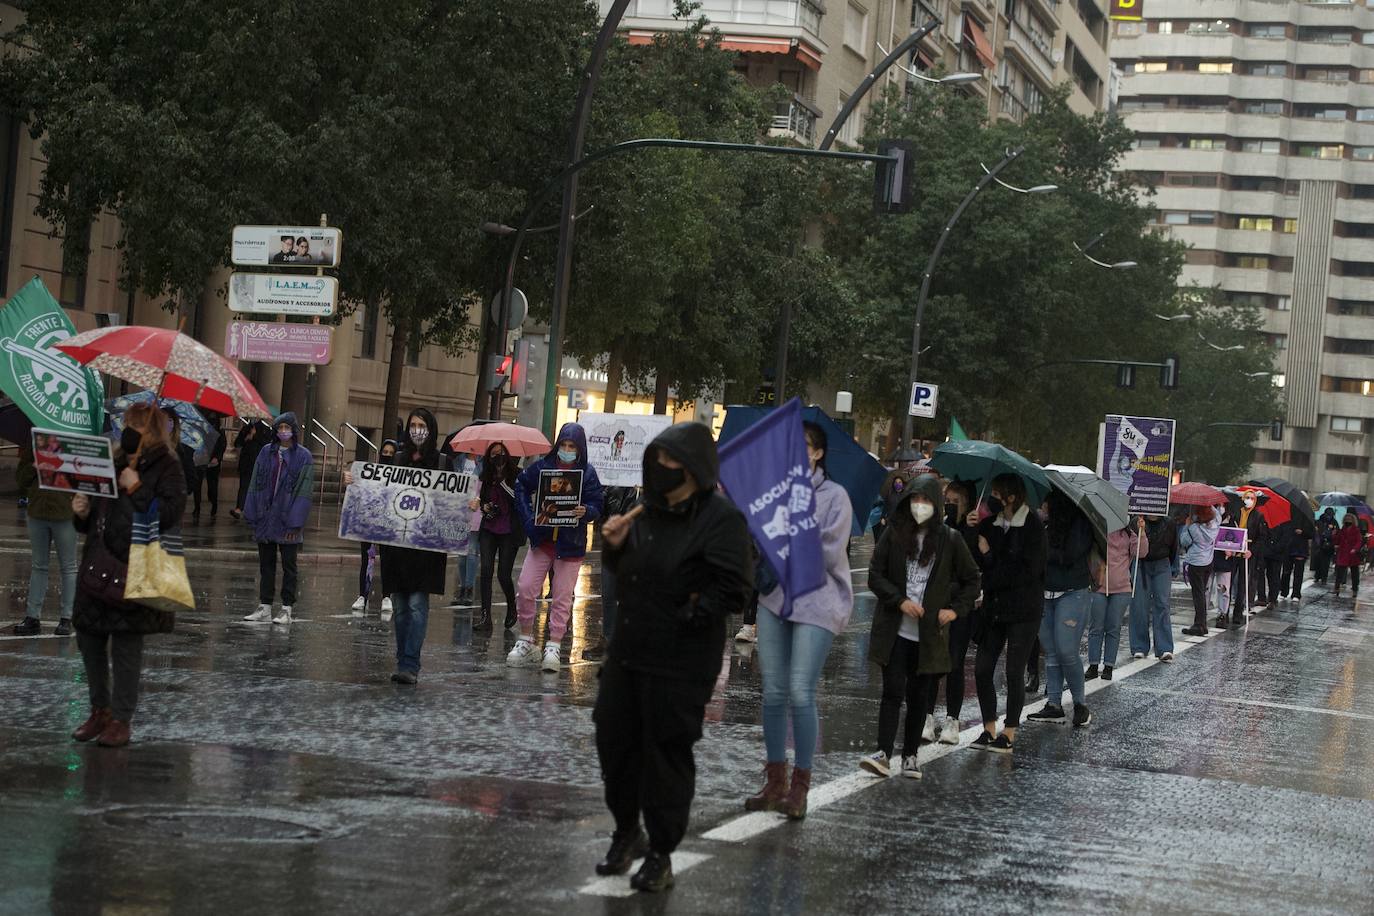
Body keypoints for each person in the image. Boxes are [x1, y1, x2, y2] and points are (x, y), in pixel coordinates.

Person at [592, 423, 750, 893]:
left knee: (665, 754)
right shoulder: (647, 512)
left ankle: (661, 852)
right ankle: (626, 832)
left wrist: (690, 612)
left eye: (669, 461)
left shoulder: (720, 520)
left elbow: (735, 588)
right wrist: (614, 546)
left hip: (680, 659)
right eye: (655, 459)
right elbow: (629, 572)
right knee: (614, 742)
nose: (659, 469)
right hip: (629, 652)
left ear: (692, 467)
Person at [744, 421, 853, 818]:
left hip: (818, 601)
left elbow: (826, 552)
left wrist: (787, 535)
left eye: (803, 446)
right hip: (775, 599)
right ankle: (775, 782)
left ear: (818, 453)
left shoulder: (835, 497)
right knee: (772, 692)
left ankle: (800, 786)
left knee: (799, 690)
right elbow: (758, 540)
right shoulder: (774, 493)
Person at [69, 402, 185, 747]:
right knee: (88, 638)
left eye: (136, 424)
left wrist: (137, 487)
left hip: (135, 567)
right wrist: (81, 512)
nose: (128, 429)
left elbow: (168, 515)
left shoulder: (168, 467)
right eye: (126, 423)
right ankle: (99, 709)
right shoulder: (112, 460)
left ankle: (121, 718)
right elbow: (95, 517)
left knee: (125, 647)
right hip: (98, 562)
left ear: (152, 430)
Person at [860, 474, 979, 779]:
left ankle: (911, 755)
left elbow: (971, 580)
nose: (920, 506)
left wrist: (953, 611)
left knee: (918, 695)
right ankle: (883, 752)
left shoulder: (949, 540)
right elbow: (876, 575)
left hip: (929, 635)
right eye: (915, 499)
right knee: (892, 690)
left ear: (936, 505)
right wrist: (899, 601)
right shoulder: (895, 533)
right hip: (896, 629)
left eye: (926, 501)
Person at [348, 410, 447, 684]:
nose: (417, 430)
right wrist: (354, 483)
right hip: (398, 546)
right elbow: (377, 490)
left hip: (425, 548)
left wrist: (469, 505)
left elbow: (454, 501)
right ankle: (403, 658)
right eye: (413, 425)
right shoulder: (398, 460)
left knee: (417, 604)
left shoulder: (442, 462)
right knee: (401, 607)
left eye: (422, 426)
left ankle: (410, 664)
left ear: (431, 429)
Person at [507, 423, 604, 672]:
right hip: (542, 539)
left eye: (572, 446)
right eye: (564, 445)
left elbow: (597, 503)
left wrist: (587, 511)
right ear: (558, 444)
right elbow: (520, 486)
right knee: (526, 587)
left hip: (571, 544)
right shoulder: (542, 467)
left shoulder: (588, 473)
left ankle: (554, 642)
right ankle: (526, 638)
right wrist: (529, 519)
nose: (567, 450)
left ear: (579, 448)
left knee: (562, 596)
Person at [970, 474, 1046, 752]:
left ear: (1011, 497)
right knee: (982, 669)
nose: (993, 499)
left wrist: (991, 557)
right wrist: (969, 530)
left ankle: (1009, 731)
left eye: (998, 494)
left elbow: (1025, 571)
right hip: (994, 609)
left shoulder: (1033, 526)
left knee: (1014, 671)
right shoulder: (989, 524)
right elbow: (975, 558)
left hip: (1024, 610)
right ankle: (988, 727)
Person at [1026, 489, 1096, 728]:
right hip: (1045, 593)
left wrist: (1042, 551)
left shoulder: (1081, 524)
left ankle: (1080, 705)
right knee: (1052, 651)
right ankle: (1053, 704)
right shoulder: (1043, 527)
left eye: (1046, 503)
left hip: (1072, 593)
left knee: (1067, 650)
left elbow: (1069, 555)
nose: (1042, 507)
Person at [922, 478, 981, 744]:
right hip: (938, 602)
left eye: (954, 499)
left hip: (961, 606)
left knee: (955, 663)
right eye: (946, 499)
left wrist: (971, 530)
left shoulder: (974, 528)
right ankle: (927, 717)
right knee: (933, 662)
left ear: (966, 500)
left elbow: (973, 567)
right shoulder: (942, 528)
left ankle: (952, 720)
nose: (949, 503)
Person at [242, 413, 314, 625]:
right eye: (279, 427)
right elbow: (255, 482)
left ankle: (287, 608)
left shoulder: (303, 456)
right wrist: (252, 512)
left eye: (286, 427)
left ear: (293, 430)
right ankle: (265, 605)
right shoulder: (266, 452)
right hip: (266, 518)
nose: (283, 431)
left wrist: (295, 521)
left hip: (288, 519)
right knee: (266, 564)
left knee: (289, 566)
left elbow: (304, 491)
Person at [11, 447, 78, 636]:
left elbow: (84, 478)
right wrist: (34, 466)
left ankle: (67, 617)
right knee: (39, 565)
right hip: (37, 512)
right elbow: (21, 480)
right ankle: (33, 617)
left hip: (65, 512)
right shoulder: (33, 444)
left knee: (68, 566)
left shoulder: (72, 444)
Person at [468, 441, 523, 634]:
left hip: (509, 531)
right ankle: (485, 616)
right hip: (489, 528)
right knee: (486, 571)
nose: (497, 458)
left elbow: (519, 499)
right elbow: (484, 500)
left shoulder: (517, 474)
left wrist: (504, 483)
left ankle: (511, 605)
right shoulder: (487, 476)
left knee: (503, 574)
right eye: (493, 455)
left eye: (500, 453)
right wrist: (484, 506)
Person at [1086, 516, 1148, 682]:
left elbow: (1141, 553)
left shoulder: (1130, 534)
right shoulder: (1098, 530)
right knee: (1096, 627)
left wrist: (1142, 533)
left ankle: (1108, 666)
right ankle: (1093, 665)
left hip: (1121, 588)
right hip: (1099, 586)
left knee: (1113, 628)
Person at [585, 484, 638, 661]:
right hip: (614, 540)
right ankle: (608, 638)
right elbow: (601, 505)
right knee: (608, 593)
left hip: (639, 544)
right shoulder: (610, 481)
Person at [351, 439, 397, 618]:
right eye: (384, 453)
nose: (387, 456)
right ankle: (363, 595)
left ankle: (387, 596)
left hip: (390, 523)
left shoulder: (400, 477)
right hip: (370, 522)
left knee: (388, 560)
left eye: (390, 454)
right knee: (367, 559)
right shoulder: (370, 474)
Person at [1130, 513, 1177, 661]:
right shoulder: (1135, 522)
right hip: (1141, 564)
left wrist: (1173, 567)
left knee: (1162, 604)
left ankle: (1164, 647)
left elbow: (1175, 545)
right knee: (1139, 604)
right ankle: (1139, 646)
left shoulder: (1169, 523)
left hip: (1162, 563)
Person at [1179, 507, 1219, 637]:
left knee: (1198, 595)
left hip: (1196, 563)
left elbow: (1184, 541)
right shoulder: (1215, 525)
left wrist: (1186, 525)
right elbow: (1217, 515)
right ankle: (1203, 624)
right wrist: (1209, 505)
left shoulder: (1194, 528)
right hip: (1208, 561)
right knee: (1202, 593)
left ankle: (1199, 625)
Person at [449, 449, 481, 606]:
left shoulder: (483, 463)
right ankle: (462, 587)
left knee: (472, 551)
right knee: (461, 554)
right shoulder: (458, 461)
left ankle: (469, 588)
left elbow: (486, 486)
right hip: (460, 510)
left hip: (476, 510)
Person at [230, 420, 270, 519]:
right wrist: (246, 437)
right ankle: (239, 508)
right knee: (243, 486)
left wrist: (255, 436)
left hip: (258, 463)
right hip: (246, 463)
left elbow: (267, 444)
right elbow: (237, 443)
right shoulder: (246, 428)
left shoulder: (265, 429)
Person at [1239, 492, 1272, 609]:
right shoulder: (1237, 513)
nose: (1249, 500)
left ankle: (1246, 603)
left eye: (1252, 498)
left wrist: (1252, 550)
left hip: (1249, 553)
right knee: (1236, 581)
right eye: (1247, 498)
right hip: (1235, 552)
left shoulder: (1258, 516)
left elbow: (1262, 536)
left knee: (1248, 579)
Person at [192, 418, 226, 520]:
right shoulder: (200, 428)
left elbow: (222, 445)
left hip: (212, 460)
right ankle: (197, 507)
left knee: (212, 485)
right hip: (201, 459)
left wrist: (217, 457)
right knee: (197, 485)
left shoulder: (220, 431)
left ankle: (213, 505)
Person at [1333, 514, 1363, 597]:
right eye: (1346, 518)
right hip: (1343, 553)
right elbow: (1337, 540)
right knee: (1339, 572)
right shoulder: (1342, 529)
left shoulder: (1356, 530)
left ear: (1353, 520)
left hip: (1353, 554)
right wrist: (1334, 535)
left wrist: (1355, 549)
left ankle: (1355, 589)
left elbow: (1359, 541)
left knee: (1354, 573)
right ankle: (1337, 587)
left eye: (1350, 519)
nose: (1348, 520)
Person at [1279, 524, 1309, 601]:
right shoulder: (1287, 517)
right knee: (1286, 572)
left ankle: (1296, 593)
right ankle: (1284, 591)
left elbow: (1311, 533)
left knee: (1298, 573)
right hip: (1287, 547)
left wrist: (1303, 532)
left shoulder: (1306, 518)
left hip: (1300, 548)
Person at [1312, 507, 1337, 585]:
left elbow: (1336, 533)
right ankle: (1319, 576)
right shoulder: (1322, 521)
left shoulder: (1333, 522)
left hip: (1327, 545)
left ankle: (1322, 577)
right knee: (1320, 562)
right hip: (1321, 544)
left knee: (1325, 562)